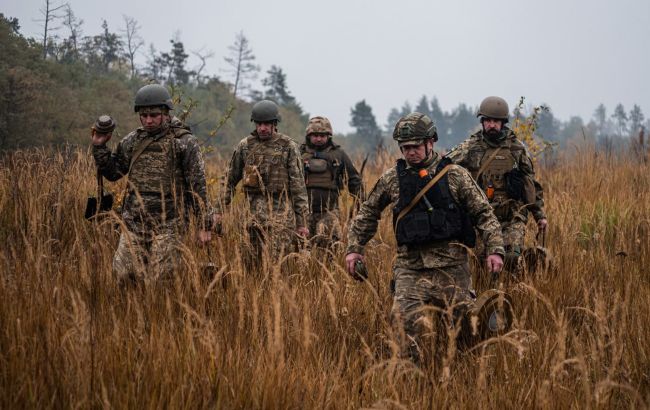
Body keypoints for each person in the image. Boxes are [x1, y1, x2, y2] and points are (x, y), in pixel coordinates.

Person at [345, 112, 504, 363]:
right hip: (411, 268)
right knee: (402, 326)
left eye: (416, 146)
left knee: (467, 331)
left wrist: (495, 249)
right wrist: (354, 248)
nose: (410, 152)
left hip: (451, 267)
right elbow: (367, 213)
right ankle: (409, 378)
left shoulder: (455, 175)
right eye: (405, 147)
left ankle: (464, 374)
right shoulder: (392, 179)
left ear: (431, 142)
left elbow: (484, 213)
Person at [91, 84, 213, 284]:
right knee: (123, 276)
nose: (148, 120)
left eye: (154, 115)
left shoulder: (184, 142)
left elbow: (197, 187)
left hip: (169, 224)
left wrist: (204, 226)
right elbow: (113, 173)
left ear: (166, 113)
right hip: (134, 223)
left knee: (161, 281)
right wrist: (99, 146)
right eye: (144, 115)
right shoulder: (133, 140)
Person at [446, 96, 547, 276]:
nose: (491, 125)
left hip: (511, 217)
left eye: (496, 121)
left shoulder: (516, 148)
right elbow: (445, 166)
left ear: (503, 123)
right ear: (483, 122)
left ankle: (510, 294)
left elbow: (531, 183)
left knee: (511, 258)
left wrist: (539, 215)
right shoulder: (470, 147)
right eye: (488, 121)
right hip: (480, 218)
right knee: (480, 262)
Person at [219, 100, 309, 267]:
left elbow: (298, 186)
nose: (262, 128)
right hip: (252, 217)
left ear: (274, 124)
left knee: (279, 267)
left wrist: (302, 222)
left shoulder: (288, 146)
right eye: (259, 124)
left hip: (281, 217)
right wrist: (219, 210)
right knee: (250, 266)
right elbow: (229, 180)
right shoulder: (245, 146)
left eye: (267, 124)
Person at [300, 116, 363, 251]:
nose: (318, 139)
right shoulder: (299, 153)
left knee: (329, 250)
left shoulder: (338, 154)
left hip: (329, 211)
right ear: (309, 135)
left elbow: (354, 180)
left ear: (329, 136)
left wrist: (361, 204)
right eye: (315, 135)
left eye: (322, 135)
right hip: (304, 213)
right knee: (303, 250)